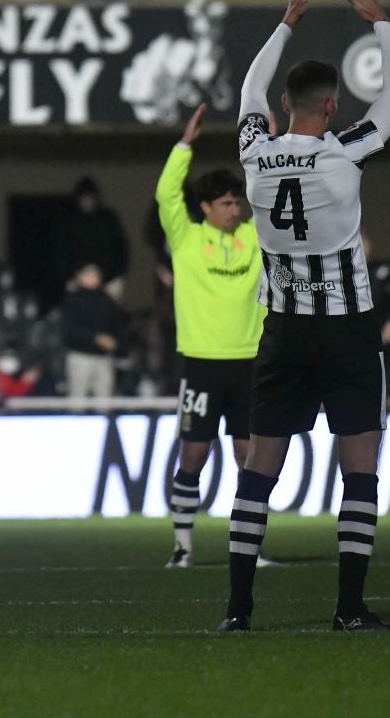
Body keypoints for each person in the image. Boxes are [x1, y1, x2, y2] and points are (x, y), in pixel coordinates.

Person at [221, 0, 390, 634]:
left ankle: (239, 611)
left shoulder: (254, 154)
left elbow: (248, 90)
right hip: (347, 332)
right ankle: (349, 609)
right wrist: (379, 19)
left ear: (286, 103)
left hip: (284, 331)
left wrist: (289, 18)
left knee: (259, 469)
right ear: (331, 106)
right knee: (358, 467)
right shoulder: (345, 154)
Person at [155, 102, 266, 570]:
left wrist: (270, 148)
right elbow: (165, 196)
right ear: (205, 207)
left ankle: (250, 550)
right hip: (201, 361)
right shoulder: (186, 239)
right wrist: (184, 146)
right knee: (194, 455)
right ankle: (183, 547)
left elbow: (272, 192)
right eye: (225, 203)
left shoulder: (256, 236)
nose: (234, 208)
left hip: (249, 361)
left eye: (236, 202)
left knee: (251, 460)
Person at [60, 264, 124, 403]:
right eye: (88, 274)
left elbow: (116, 325)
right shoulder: (72, 300)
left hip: (103, 357)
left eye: (95, 275)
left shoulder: (106, 300)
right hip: (80, 356)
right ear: (79, 277)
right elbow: (69, 330)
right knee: (77, 398)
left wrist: (116, 343)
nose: (92, 278)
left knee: (105, 399)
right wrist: (95, 338)